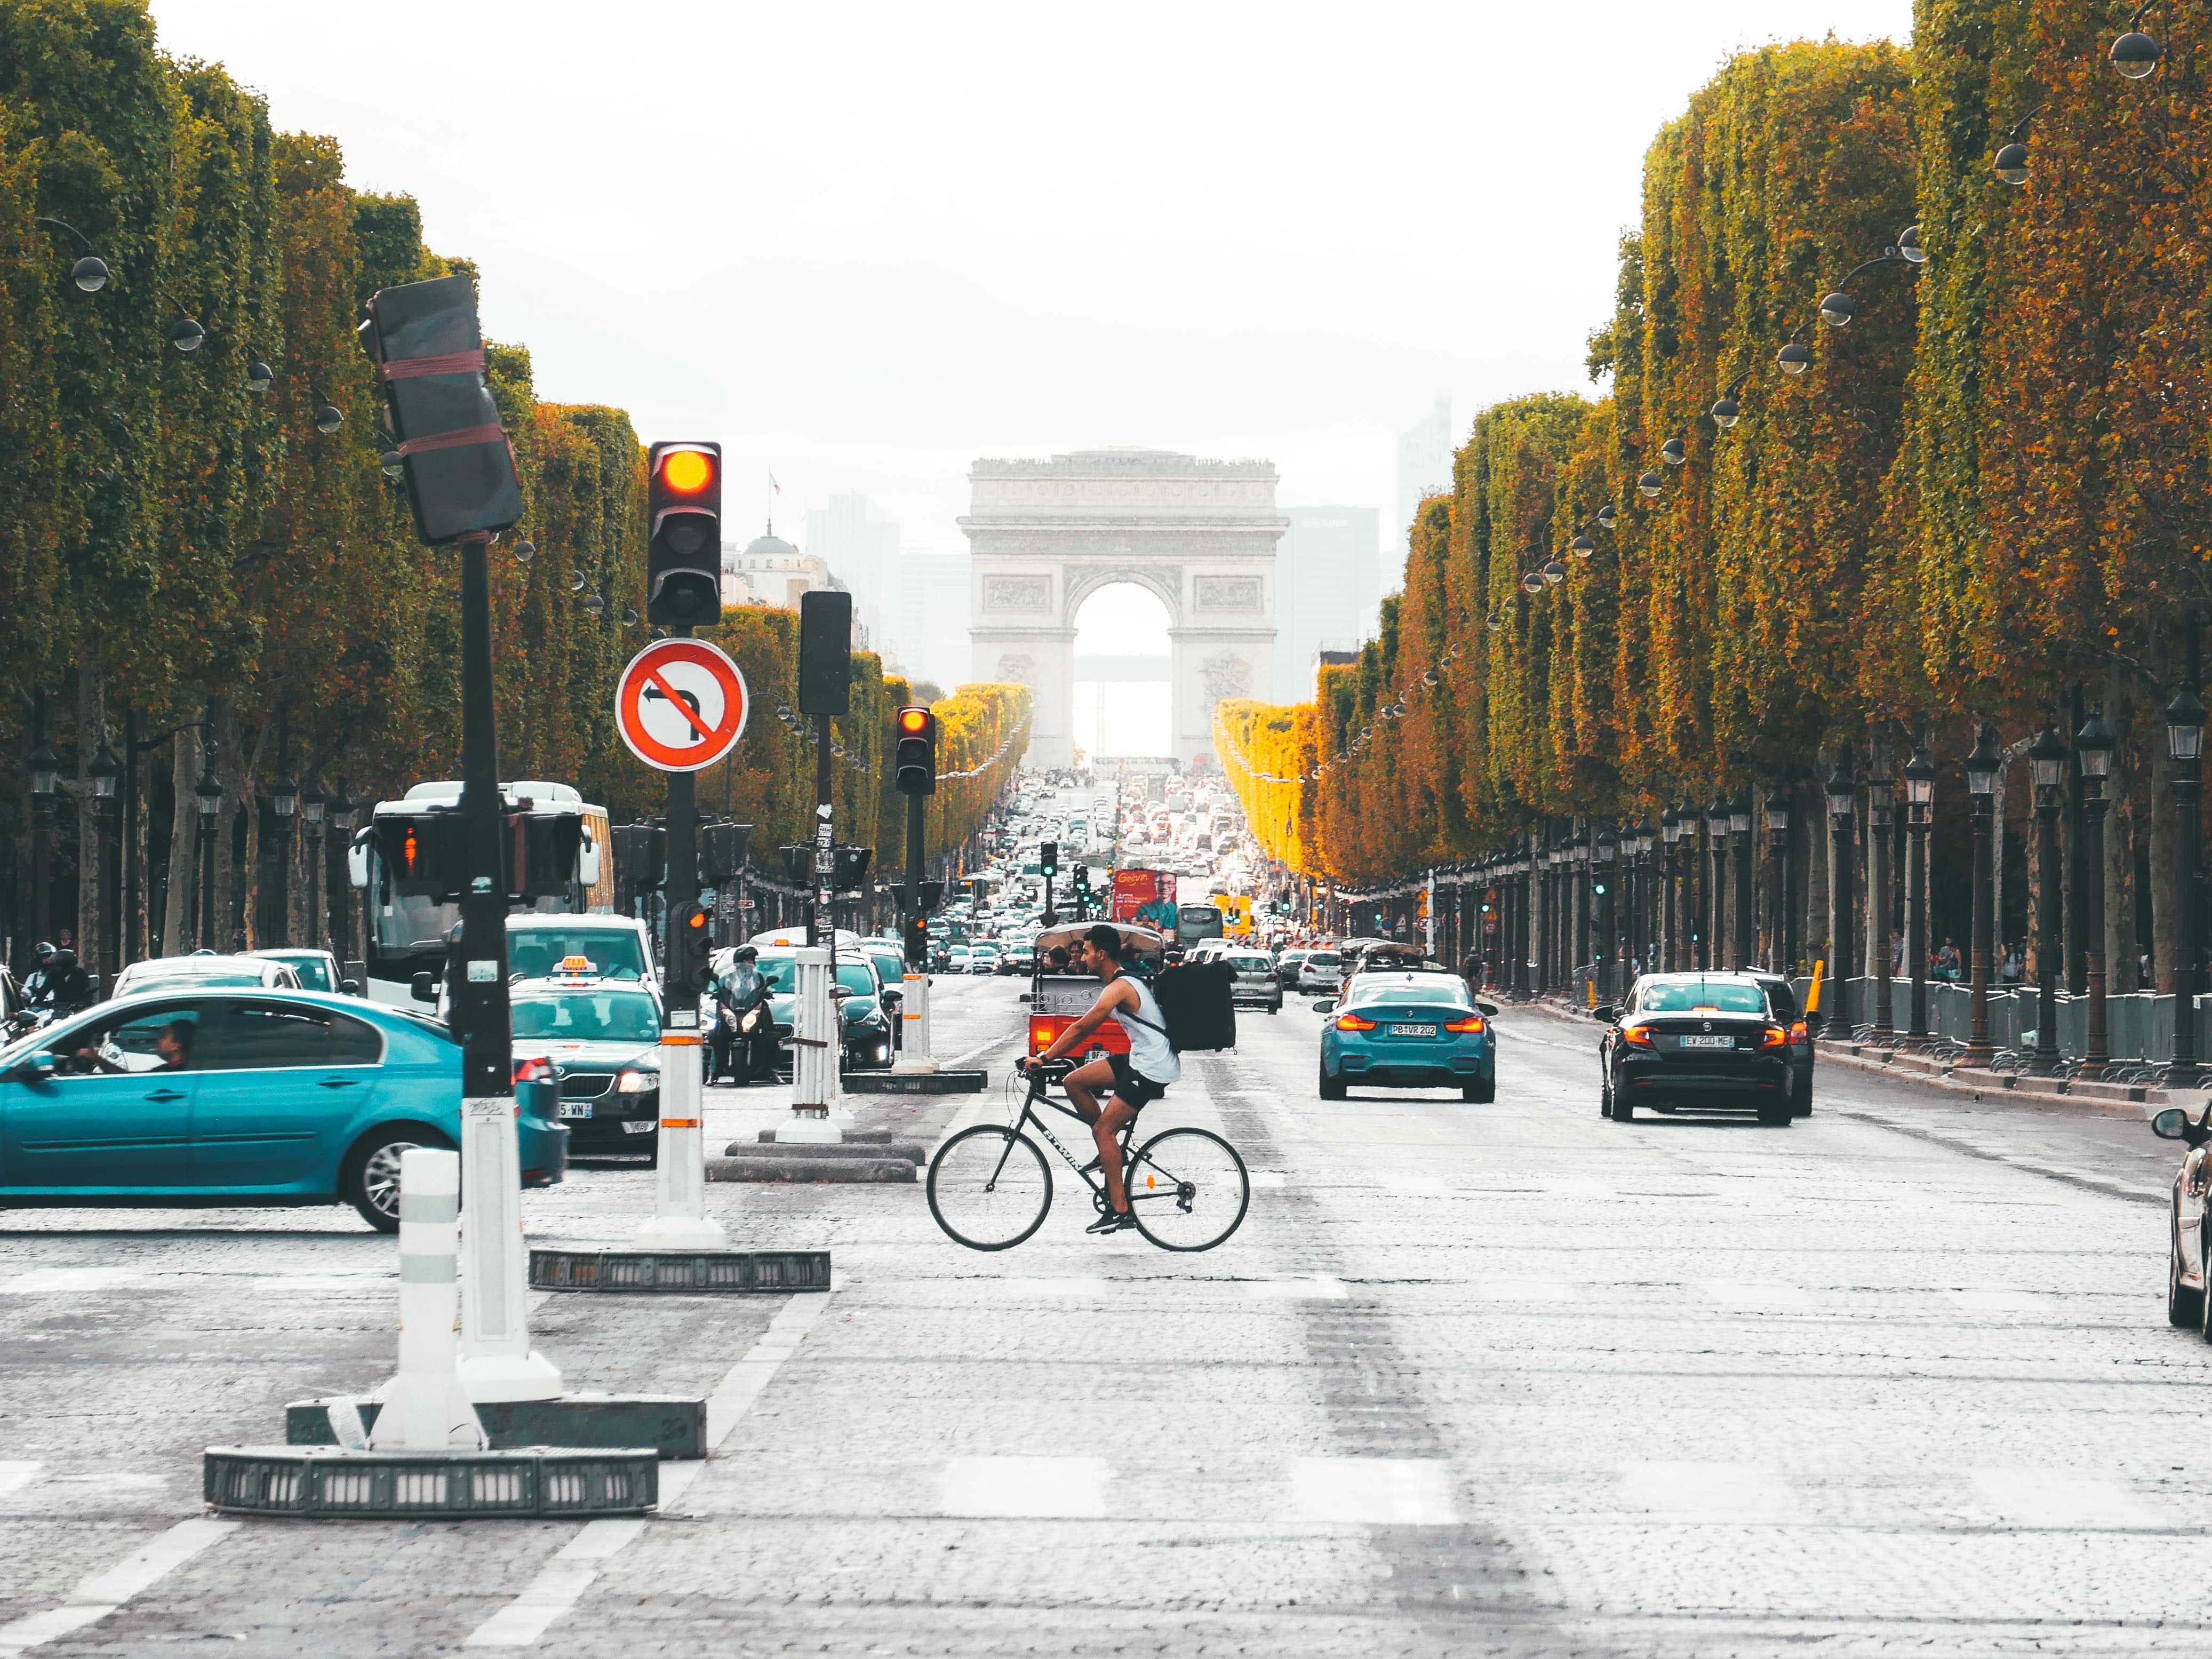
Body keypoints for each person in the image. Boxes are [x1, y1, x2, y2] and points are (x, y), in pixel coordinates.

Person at [1020, 923, 1179, 1235]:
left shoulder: (1120, 987)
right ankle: (1110, 1151)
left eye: (1088, 952)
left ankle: (1120, 1210)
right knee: (1074, 1082)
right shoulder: (1117, 983)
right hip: (1138, 1059)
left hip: (1152, 1067)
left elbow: (1083, 1027)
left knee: (1105, 1131)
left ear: (1102, 954)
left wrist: (1045, 1057)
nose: (1083, 958)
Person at [712, 945, 774, 1084]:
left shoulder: (757, 977)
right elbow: (725, 992)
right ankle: (713, 1072)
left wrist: (766, 993)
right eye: (747, 960)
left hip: (750, 1010)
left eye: (752, 960)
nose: (750, 963)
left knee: (769, 1036)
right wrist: (718, 994)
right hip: (734, 1011)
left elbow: (760, 991)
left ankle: (773, 1071)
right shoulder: (729, 978)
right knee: (717, 1036)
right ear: (739, 962)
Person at [75, 1016, 194, 1075]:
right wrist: (96, 1059)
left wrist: (97, 1058)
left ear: (176, 1046)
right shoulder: (173, 1070)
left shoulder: (177, 1073)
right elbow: (130, 1079)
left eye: (165, 1037)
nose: (159, 1040)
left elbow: (130, 1081)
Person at [30, 947, 92, 1015]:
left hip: (78, 1011)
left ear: (67, 965)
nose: (55, 968)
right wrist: (36, 1002)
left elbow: (87, 993)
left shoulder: (80, 973)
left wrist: (83, 1004)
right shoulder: (53, 975)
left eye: (58, 966)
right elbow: (44, 989)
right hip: (58, 1009)